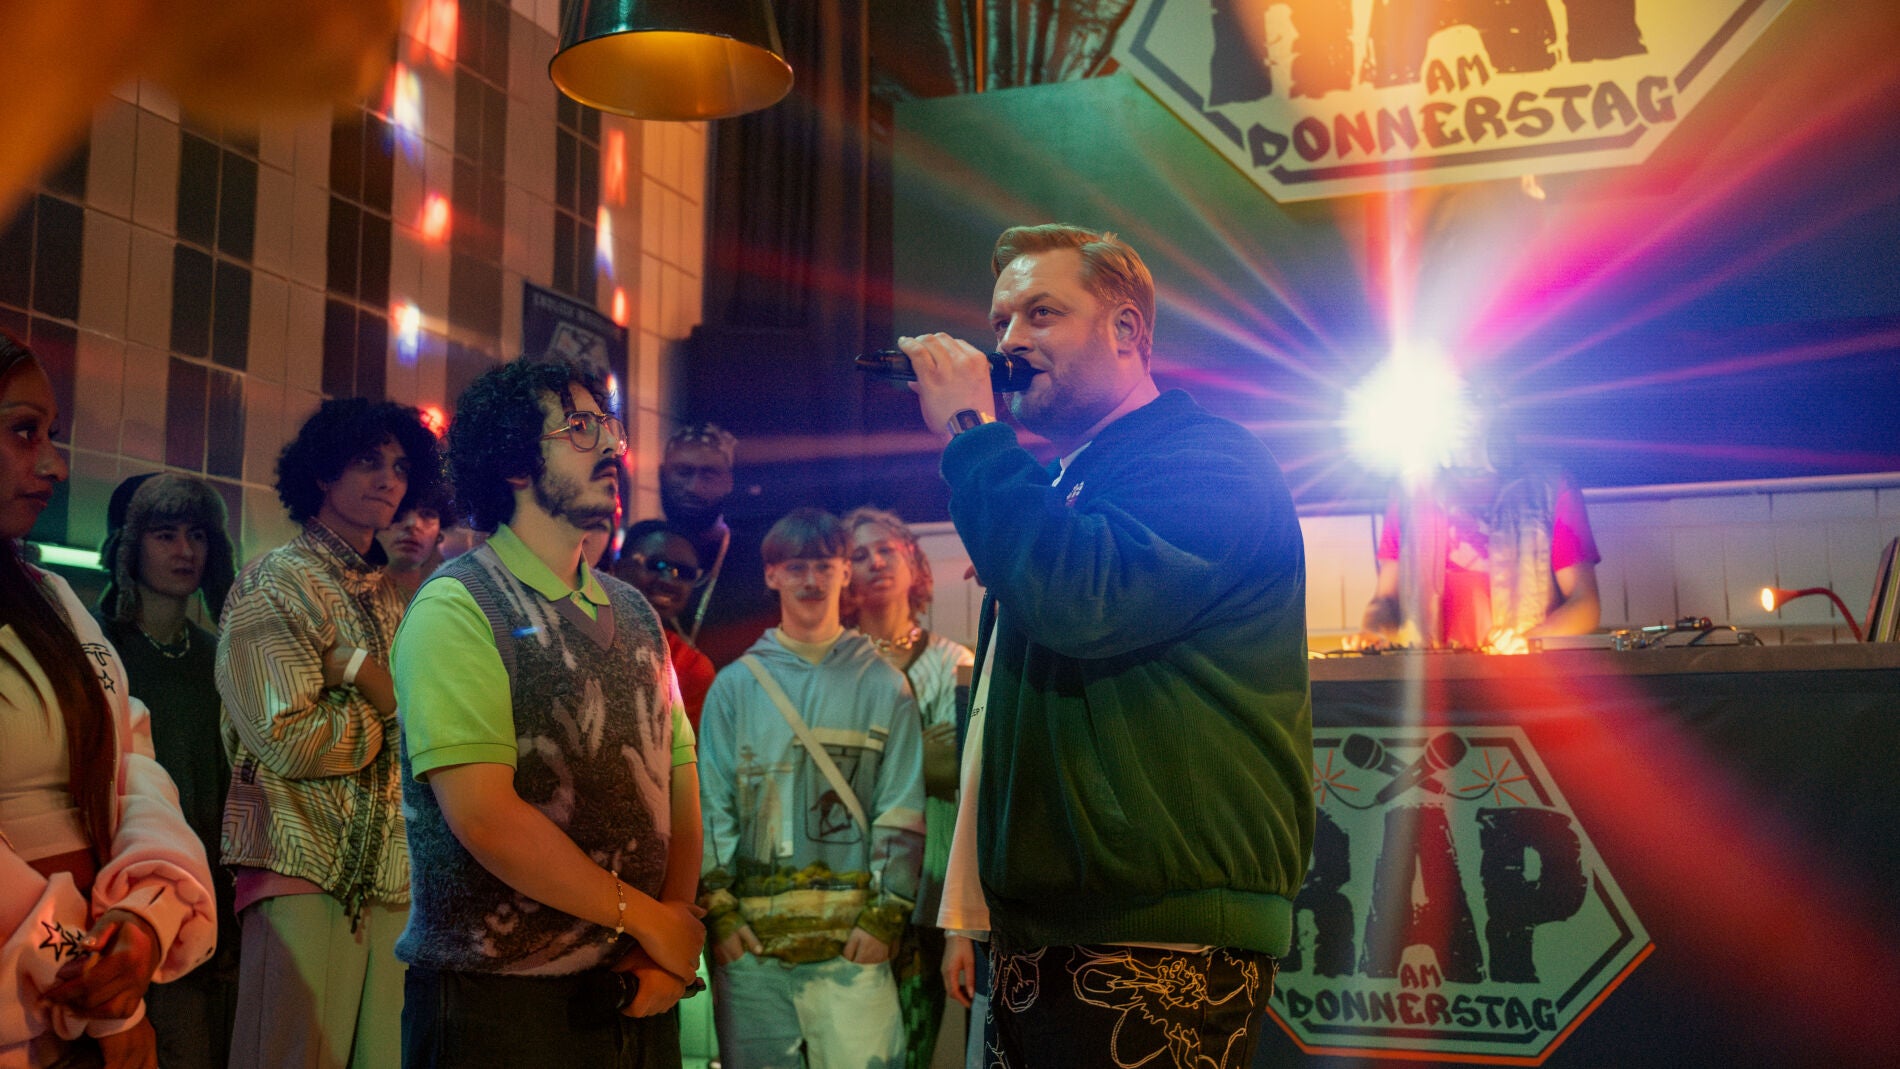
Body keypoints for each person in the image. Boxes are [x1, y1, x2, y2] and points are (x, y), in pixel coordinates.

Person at [898, 224, 1313, 1067]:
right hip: (1048, 932)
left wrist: (973, 430)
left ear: (1126, 329)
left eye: (1041, 312)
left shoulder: (1211, 459)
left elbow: (1080, 599)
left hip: (1160, 937)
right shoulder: (1067, 485)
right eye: (1002, 320)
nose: (1010, 341)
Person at [391, 357, 704, 1066]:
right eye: (579, 427)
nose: (611, 445)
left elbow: (679, 779)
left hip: (634, 987)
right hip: (499, 1005)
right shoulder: (459, 605)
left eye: (609, 426)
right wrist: (649, 919)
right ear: (514, 464)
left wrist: (672, 929)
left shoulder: (633, 611)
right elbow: (485, 818)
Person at [1, 333, 217, 1068]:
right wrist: (101, 990)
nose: (55, 465)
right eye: (23, 431)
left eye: (52, 435)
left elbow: (131, 764)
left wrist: (146, 912)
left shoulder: (51, 598)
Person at [215, 397, 442, 1069]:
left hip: (393, 880)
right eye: (368, 461)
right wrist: (386, 702)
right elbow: (287, 738)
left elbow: (423, 730)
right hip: (300, 864)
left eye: (400, 467)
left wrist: (361, 676)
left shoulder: (394, 596)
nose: (388, 479)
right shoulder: (275, 580)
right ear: (322, 472)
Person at [697, 508, 925, 1069]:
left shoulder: (885, 685)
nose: (811, 580)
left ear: (845, 572)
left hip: (855, 949)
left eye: (824, 565)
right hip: (752, 954)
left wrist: (884, 919)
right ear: (772, 574)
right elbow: (712, 807)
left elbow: (901, 808)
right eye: (796, 566)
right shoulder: (734, 687)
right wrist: (721, 915)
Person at [93, 473, 239, 1069]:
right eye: (164, 534)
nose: (185, 551)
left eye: (197, 535)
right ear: (129, 545)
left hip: (210, 900)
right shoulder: (95, 648)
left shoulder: (218, 655)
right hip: (118, 898)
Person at [840, 506, 971, 1069]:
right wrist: (922, 745)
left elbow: (955, 773)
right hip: (842, 887)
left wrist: (875, 751)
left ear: (913, 563)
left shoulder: (953, 661)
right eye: (858, 554)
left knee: (909, 1054)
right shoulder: (827, 664)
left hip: (926, 890)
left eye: (885, 550)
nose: (874, 562)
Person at [1356, 391, 1602, 652]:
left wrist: (1530, 641)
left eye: (1469, 399)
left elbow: (1585, 605)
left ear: (1497, 406)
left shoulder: (1549, 487)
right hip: (1433, 672)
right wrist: (1372, 632)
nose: (1457, 414)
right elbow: (1385, 599)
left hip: (1522, 672)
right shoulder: (1409, 492)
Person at [658, 423, 767, 667]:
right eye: (683, 472)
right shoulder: (641, 554)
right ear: (662, 475)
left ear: (729, 481)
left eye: (709, 474)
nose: (694, 487)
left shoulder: (757, 559)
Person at [613, 519, 716, 731]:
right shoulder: (575, 636)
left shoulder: (691, 668)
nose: (668, 581)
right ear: (620, 568)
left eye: (684, 573)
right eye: (657, 565)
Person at [375, 486, 452, 603]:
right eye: (399, 511)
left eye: (427, 514)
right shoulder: (351, 591)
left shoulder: (449, 599)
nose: (413, 524)